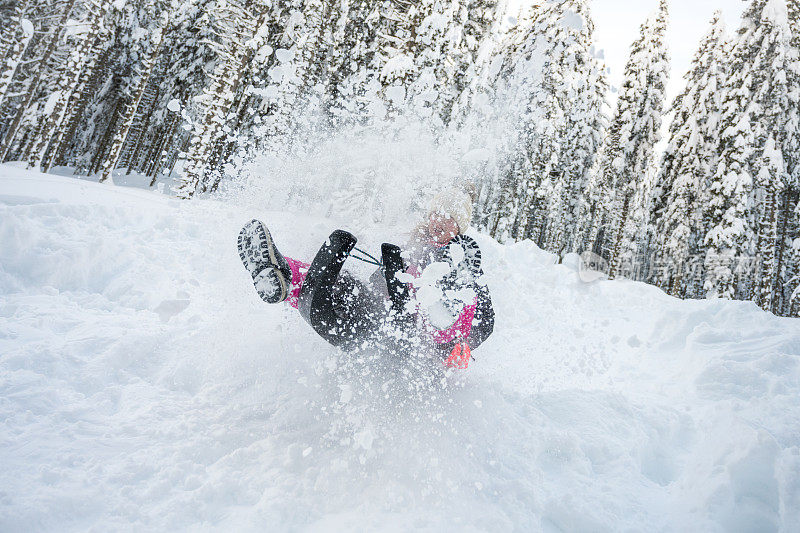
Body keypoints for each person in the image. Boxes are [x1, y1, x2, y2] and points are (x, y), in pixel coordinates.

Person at [237, 186, 494, 369]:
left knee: (357, 300)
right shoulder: (410, 249)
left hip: (416, 346)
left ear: (458, 228)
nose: (439, 221)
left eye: (449, 218)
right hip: (383, 321)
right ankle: (281, 274)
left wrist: (463, 343)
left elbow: (485, 320)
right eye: (435, 214)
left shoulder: (463, 262)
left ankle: (287, 278)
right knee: (347, 286)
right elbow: (375, 285)